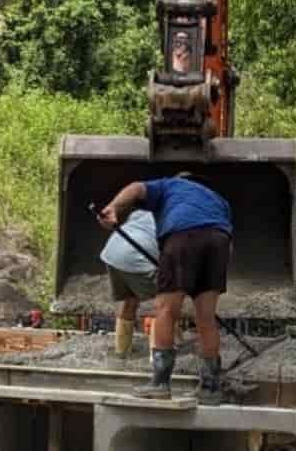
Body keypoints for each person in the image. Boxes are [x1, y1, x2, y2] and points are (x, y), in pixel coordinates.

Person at [98, 170, 233, 402]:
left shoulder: (170, 185)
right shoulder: (218, 200)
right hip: (219, 242)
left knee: (166, 310)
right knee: (206, 317)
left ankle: (160, 384)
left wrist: (113, 207)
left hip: (183, 236)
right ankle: (211, 387)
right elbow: (228, 241)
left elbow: (136, 187)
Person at [99, 206, 158, 357]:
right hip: (137, 256)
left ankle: (121, 351)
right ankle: (157, 357)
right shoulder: (172, 219)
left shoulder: (142, 212)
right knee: (162, 303)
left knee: (130, 299)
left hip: (113, 254)